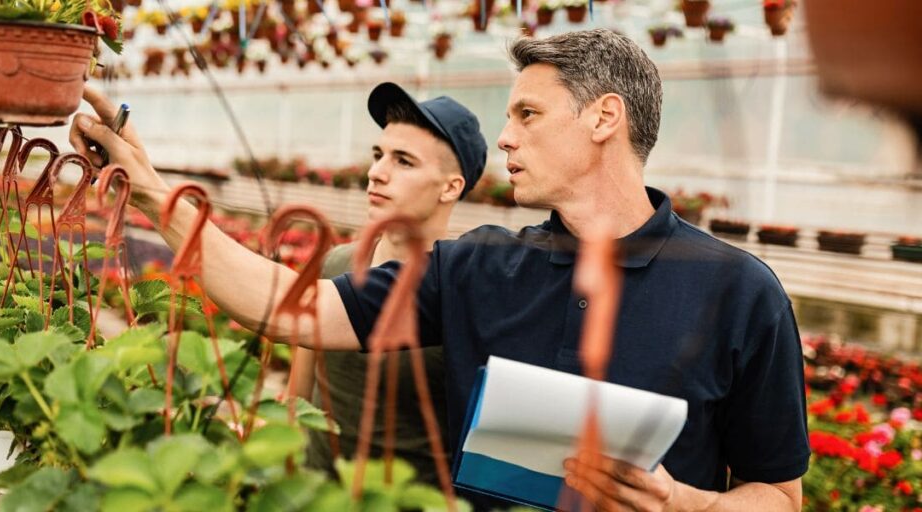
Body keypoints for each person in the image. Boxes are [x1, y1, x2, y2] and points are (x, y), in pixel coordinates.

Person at [71, 29, 808, 511]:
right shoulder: (479, 267)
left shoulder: (739, 292)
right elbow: (292, 308)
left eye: (526, 115)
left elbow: (778, 492)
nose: (505, 138)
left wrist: (684, 503)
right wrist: (158, 195)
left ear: (604, 118)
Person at [290, 83, 488, 485]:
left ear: (450, 187)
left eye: (404, 161)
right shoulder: (334, 264)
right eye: (378, 155)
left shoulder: (467, 294)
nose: (376, 173)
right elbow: (296, 394)